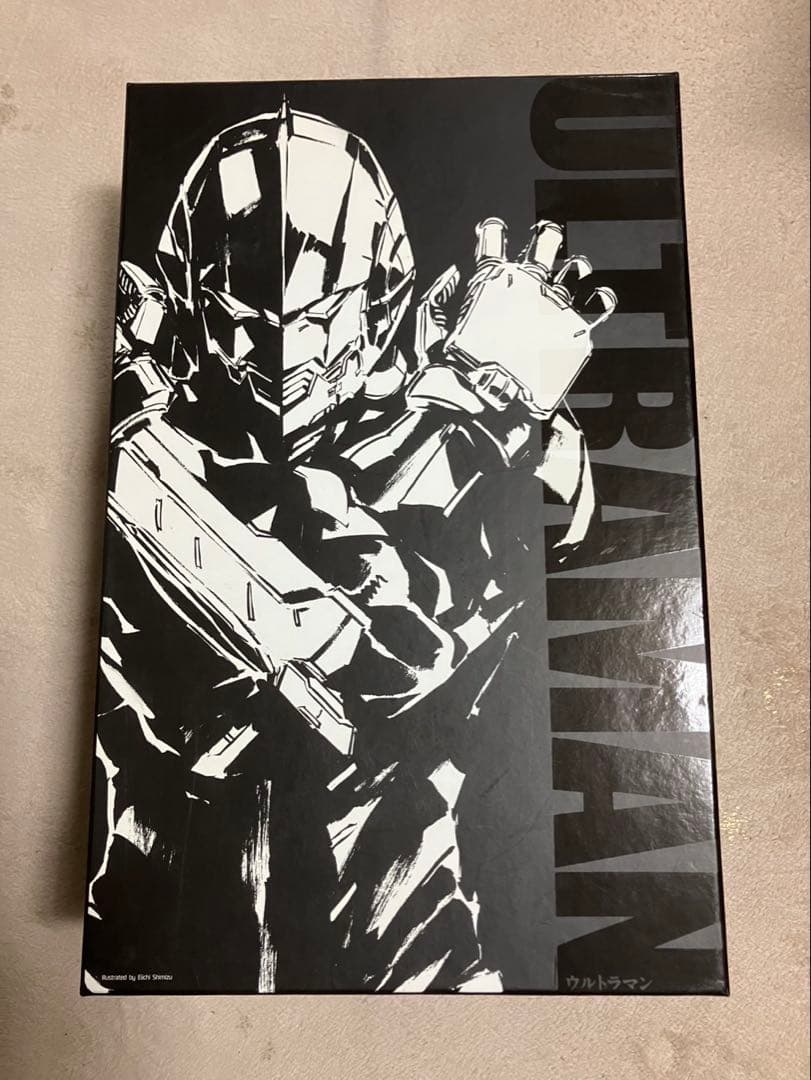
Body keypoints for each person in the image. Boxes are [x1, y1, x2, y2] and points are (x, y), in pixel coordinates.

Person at [83, 104, 615, 993]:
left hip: (403, 957)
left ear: (379, 302)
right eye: (241, 317)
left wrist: (491, 415)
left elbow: (394, 631)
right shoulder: (149, 448)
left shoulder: (454, 439)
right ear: (189, 297)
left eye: (317, 319)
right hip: (148, 947)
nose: (280, 353)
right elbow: (273, 585)